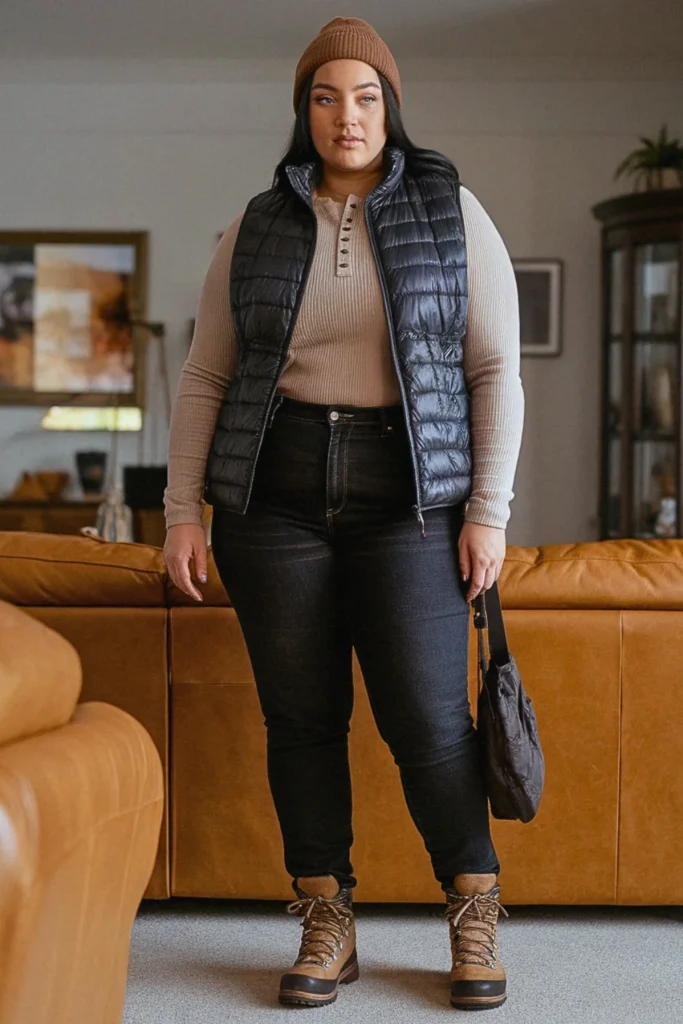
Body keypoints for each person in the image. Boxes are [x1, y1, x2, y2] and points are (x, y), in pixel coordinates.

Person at [163, 16, 524, 1012]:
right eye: (324, 98)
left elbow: (494, 369)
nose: (346, 116)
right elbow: (205, 375)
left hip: (408, 497)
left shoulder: (451, 210)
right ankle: (326, 916)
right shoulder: (257, 224)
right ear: (304, 112)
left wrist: (487, 510)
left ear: (389, 106)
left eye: (365, 97)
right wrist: (181, 510)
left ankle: (473, 907)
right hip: (270, 496)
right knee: (301, 717)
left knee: (427, 718)